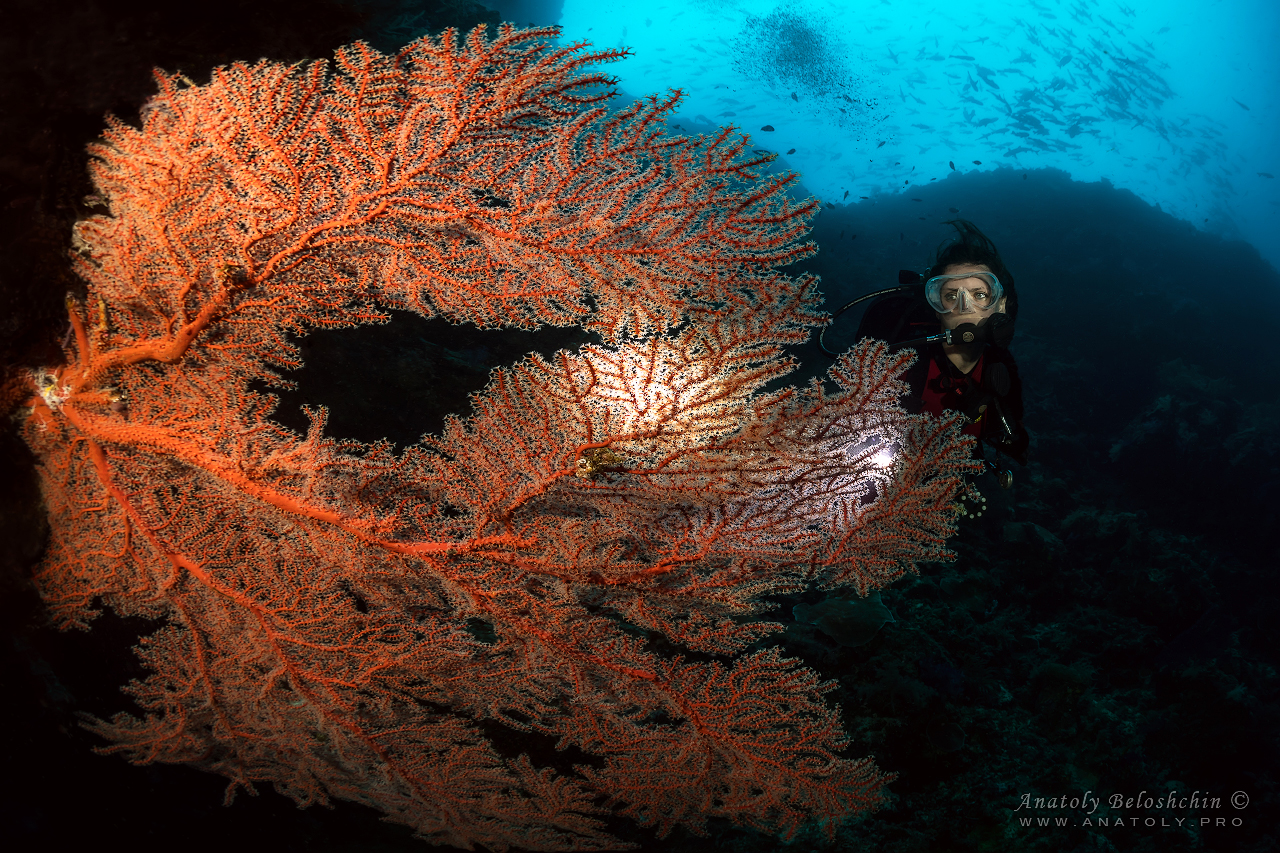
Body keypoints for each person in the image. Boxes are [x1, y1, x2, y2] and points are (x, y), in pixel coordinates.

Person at [857, 220, 1030, 468]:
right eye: (951, 295)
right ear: (936, 309)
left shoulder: (1002, 368)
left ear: (1001, 304)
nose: (964, 306)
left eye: (979, 294)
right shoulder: (901, 364)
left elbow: (1015, 441)